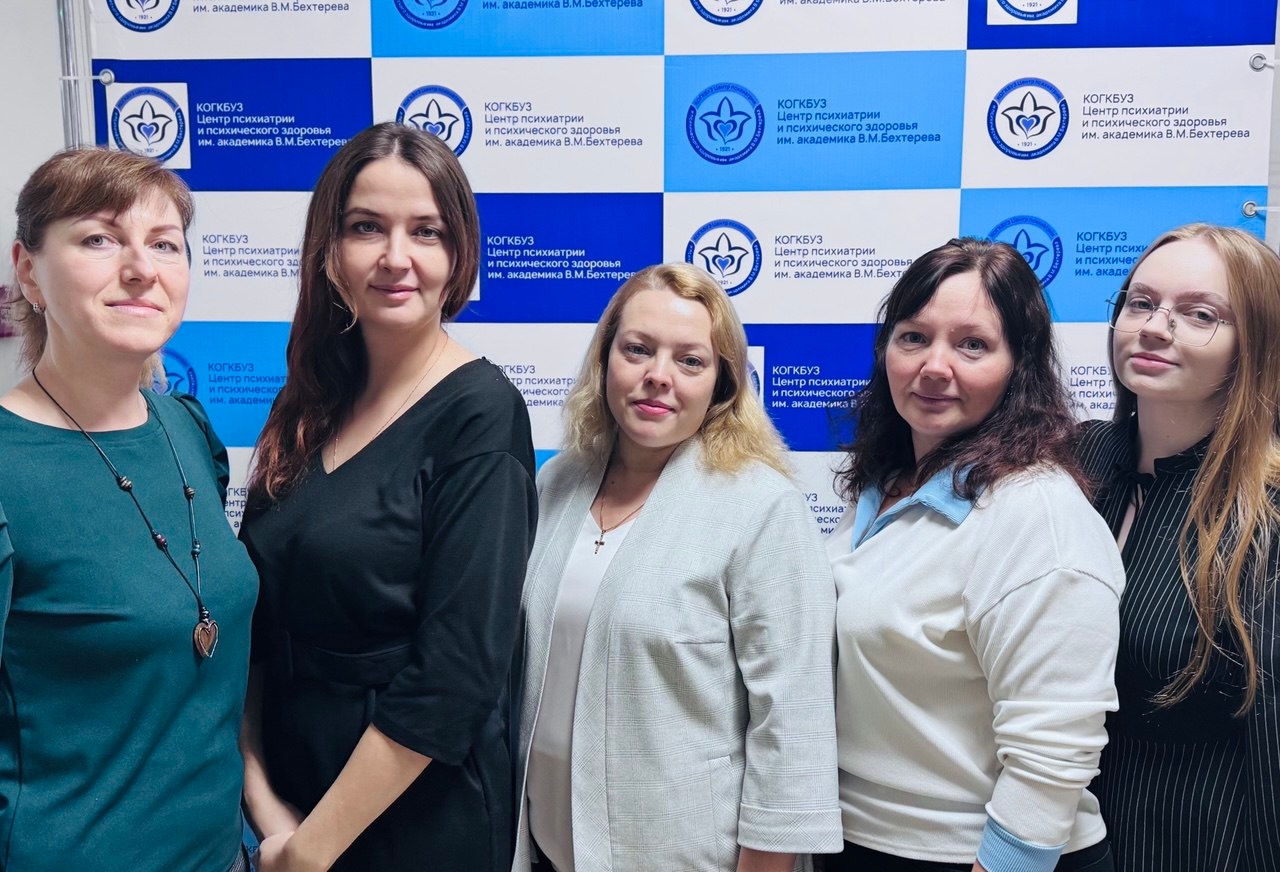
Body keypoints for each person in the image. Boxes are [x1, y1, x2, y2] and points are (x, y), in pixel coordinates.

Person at [238, 122, 537, 872]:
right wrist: (266, 805)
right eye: (366, 227)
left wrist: (313, 850)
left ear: (459, 254)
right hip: (288, 812)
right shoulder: (308, 403)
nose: (396, 257)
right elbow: (256, 627)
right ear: (329, 250)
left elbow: (456, 675)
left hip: (415, 824)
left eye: (426, 231)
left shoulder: (482, 413)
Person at [511, 262, 841, 872]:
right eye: (637, 350)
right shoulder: (556, 483)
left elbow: (793, 723)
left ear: (722, 384)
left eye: (690, 360)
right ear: (604, 360)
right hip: (546, 852)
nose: (658, 376)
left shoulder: (761, 506)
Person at [826, 238, 1125, 872]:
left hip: (977, 854)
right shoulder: (887, 483)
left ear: (1020, 366)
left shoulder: (1037, 513)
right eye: (913, 337)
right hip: (865, 839)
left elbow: (1053, 751)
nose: (934, 366)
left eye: (973, 345)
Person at [0, 148, 257, 871]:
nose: (142, 268)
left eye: (165, 244)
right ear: (28, 271)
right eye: (99, 239)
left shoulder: (187, 428)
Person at [1075, 224, 1280, 871]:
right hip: (1050, 838)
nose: (1154, 328)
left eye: (1199, 315)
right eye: (1141, 303)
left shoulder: (1268, 511)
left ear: (1255, 344)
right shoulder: (1069, 463)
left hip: (1197, 843)